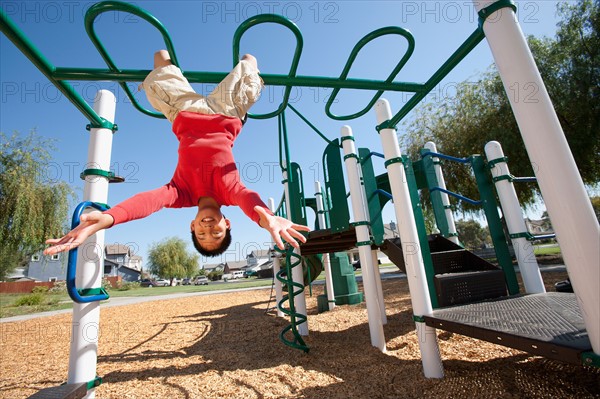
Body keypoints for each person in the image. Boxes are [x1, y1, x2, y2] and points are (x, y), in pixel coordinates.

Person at [44, 50, 309, 257]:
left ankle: (171, 65)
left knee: (160, 57)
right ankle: (244, 65)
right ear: (226, 224)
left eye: (201, 235)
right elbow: (248, 199)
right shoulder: (229, 192)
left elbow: (147, 202)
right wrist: (266, 218)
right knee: (249, 63)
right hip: (225, 113)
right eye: (215, 234)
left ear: (192, 226)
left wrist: (108, 218)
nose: (208, 229)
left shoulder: (180, 194)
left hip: (183, 113)